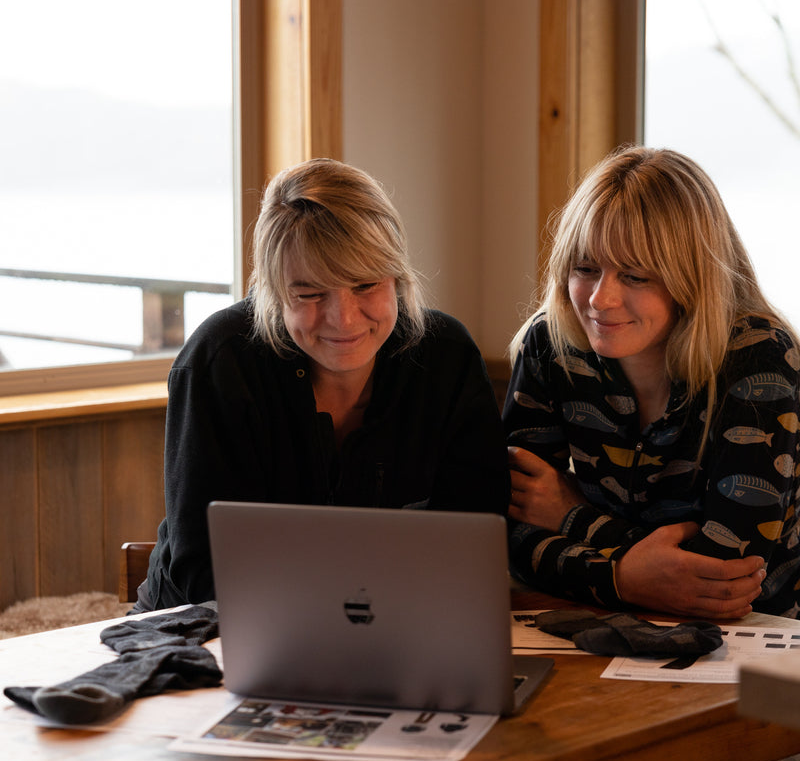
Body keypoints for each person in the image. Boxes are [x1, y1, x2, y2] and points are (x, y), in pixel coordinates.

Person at [137, 158, 510, 611]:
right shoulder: (220, 360)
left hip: (398, 621)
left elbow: (479, 537)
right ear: (275, 293)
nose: (344, 319)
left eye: (365, 284)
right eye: (310, 294)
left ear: (397, 276)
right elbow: (201, 567)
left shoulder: (446, 357)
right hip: (208, 628)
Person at [504, 146, 800, 620]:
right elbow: (511, 534)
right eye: (585, 269)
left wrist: (572, 516)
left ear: (692, 280)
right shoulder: (550, 342)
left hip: (766, 639)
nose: (601, 299)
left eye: (635, 275)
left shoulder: (759, 356)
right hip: (611, 626)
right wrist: (622, 578)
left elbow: (725, 575)